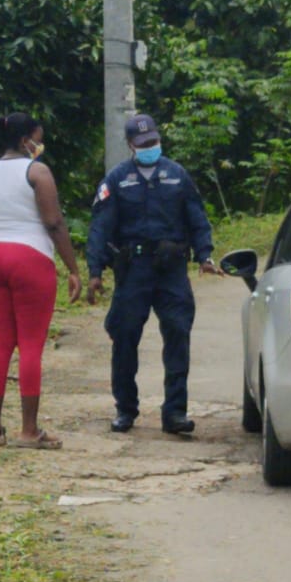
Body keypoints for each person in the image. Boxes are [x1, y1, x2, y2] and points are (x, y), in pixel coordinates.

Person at [85, 113, 223, 436]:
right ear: (131, 145)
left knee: (177, 333)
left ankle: (175, 412)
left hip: (171, 269)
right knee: (125, 337)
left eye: (153, 142)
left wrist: (204, 254)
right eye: (143, 144)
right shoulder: (117, 180)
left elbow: (197, 218)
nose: (150, 147)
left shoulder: (177, 175)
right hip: (133, 270)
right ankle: (125, 409)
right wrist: (95, 271)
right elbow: (100, 227)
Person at [0, 112, 83, 449]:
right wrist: (72, 267)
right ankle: (29, 431)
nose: (40, 143)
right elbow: (54, 222)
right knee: (30, 346)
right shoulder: (37, 171)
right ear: (27, 138)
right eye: (38, 137)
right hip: (30, 258)